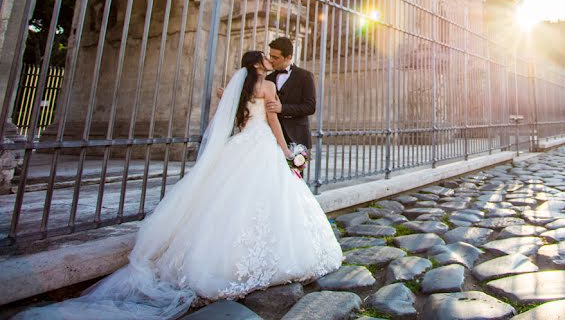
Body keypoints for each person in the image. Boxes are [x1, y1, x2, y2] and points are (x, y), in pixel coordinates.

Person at [16, 51, 343, 319]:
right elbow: (272, 122)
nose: (270, 63)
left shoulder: (235, 88)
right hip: (263, 147)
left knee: (223, 199)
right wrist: (289, 153)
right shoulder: (268, 89)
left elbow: (227, 123)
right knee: (269, 200)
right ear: (261, 65)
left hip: (240, 146)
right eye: (266, 60)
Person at [266, 37, 317, 151]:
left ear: (288, 57)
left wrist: (282, 108)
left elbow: (310, 107)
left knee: (293, 169)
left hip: (297, 137)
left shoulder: (305, 76)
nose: (271, 60)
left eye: (275, 57)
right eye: (270, 56)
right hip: (272, 136)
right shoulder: (268, 78)